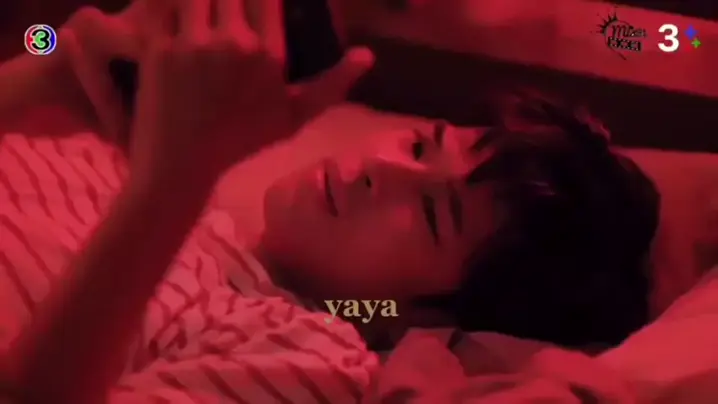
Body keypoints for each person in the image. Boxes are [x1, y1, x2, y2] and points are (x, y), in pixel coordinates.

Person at [0, 0, 658, 403]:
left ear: (412, 315)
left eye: (431, 214)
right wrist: (54, 66)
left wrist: (170, 183)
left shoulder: (307, 352)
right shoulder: (162, 173)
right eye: (419, 146)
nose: (381, 170)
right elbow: (42, 50)